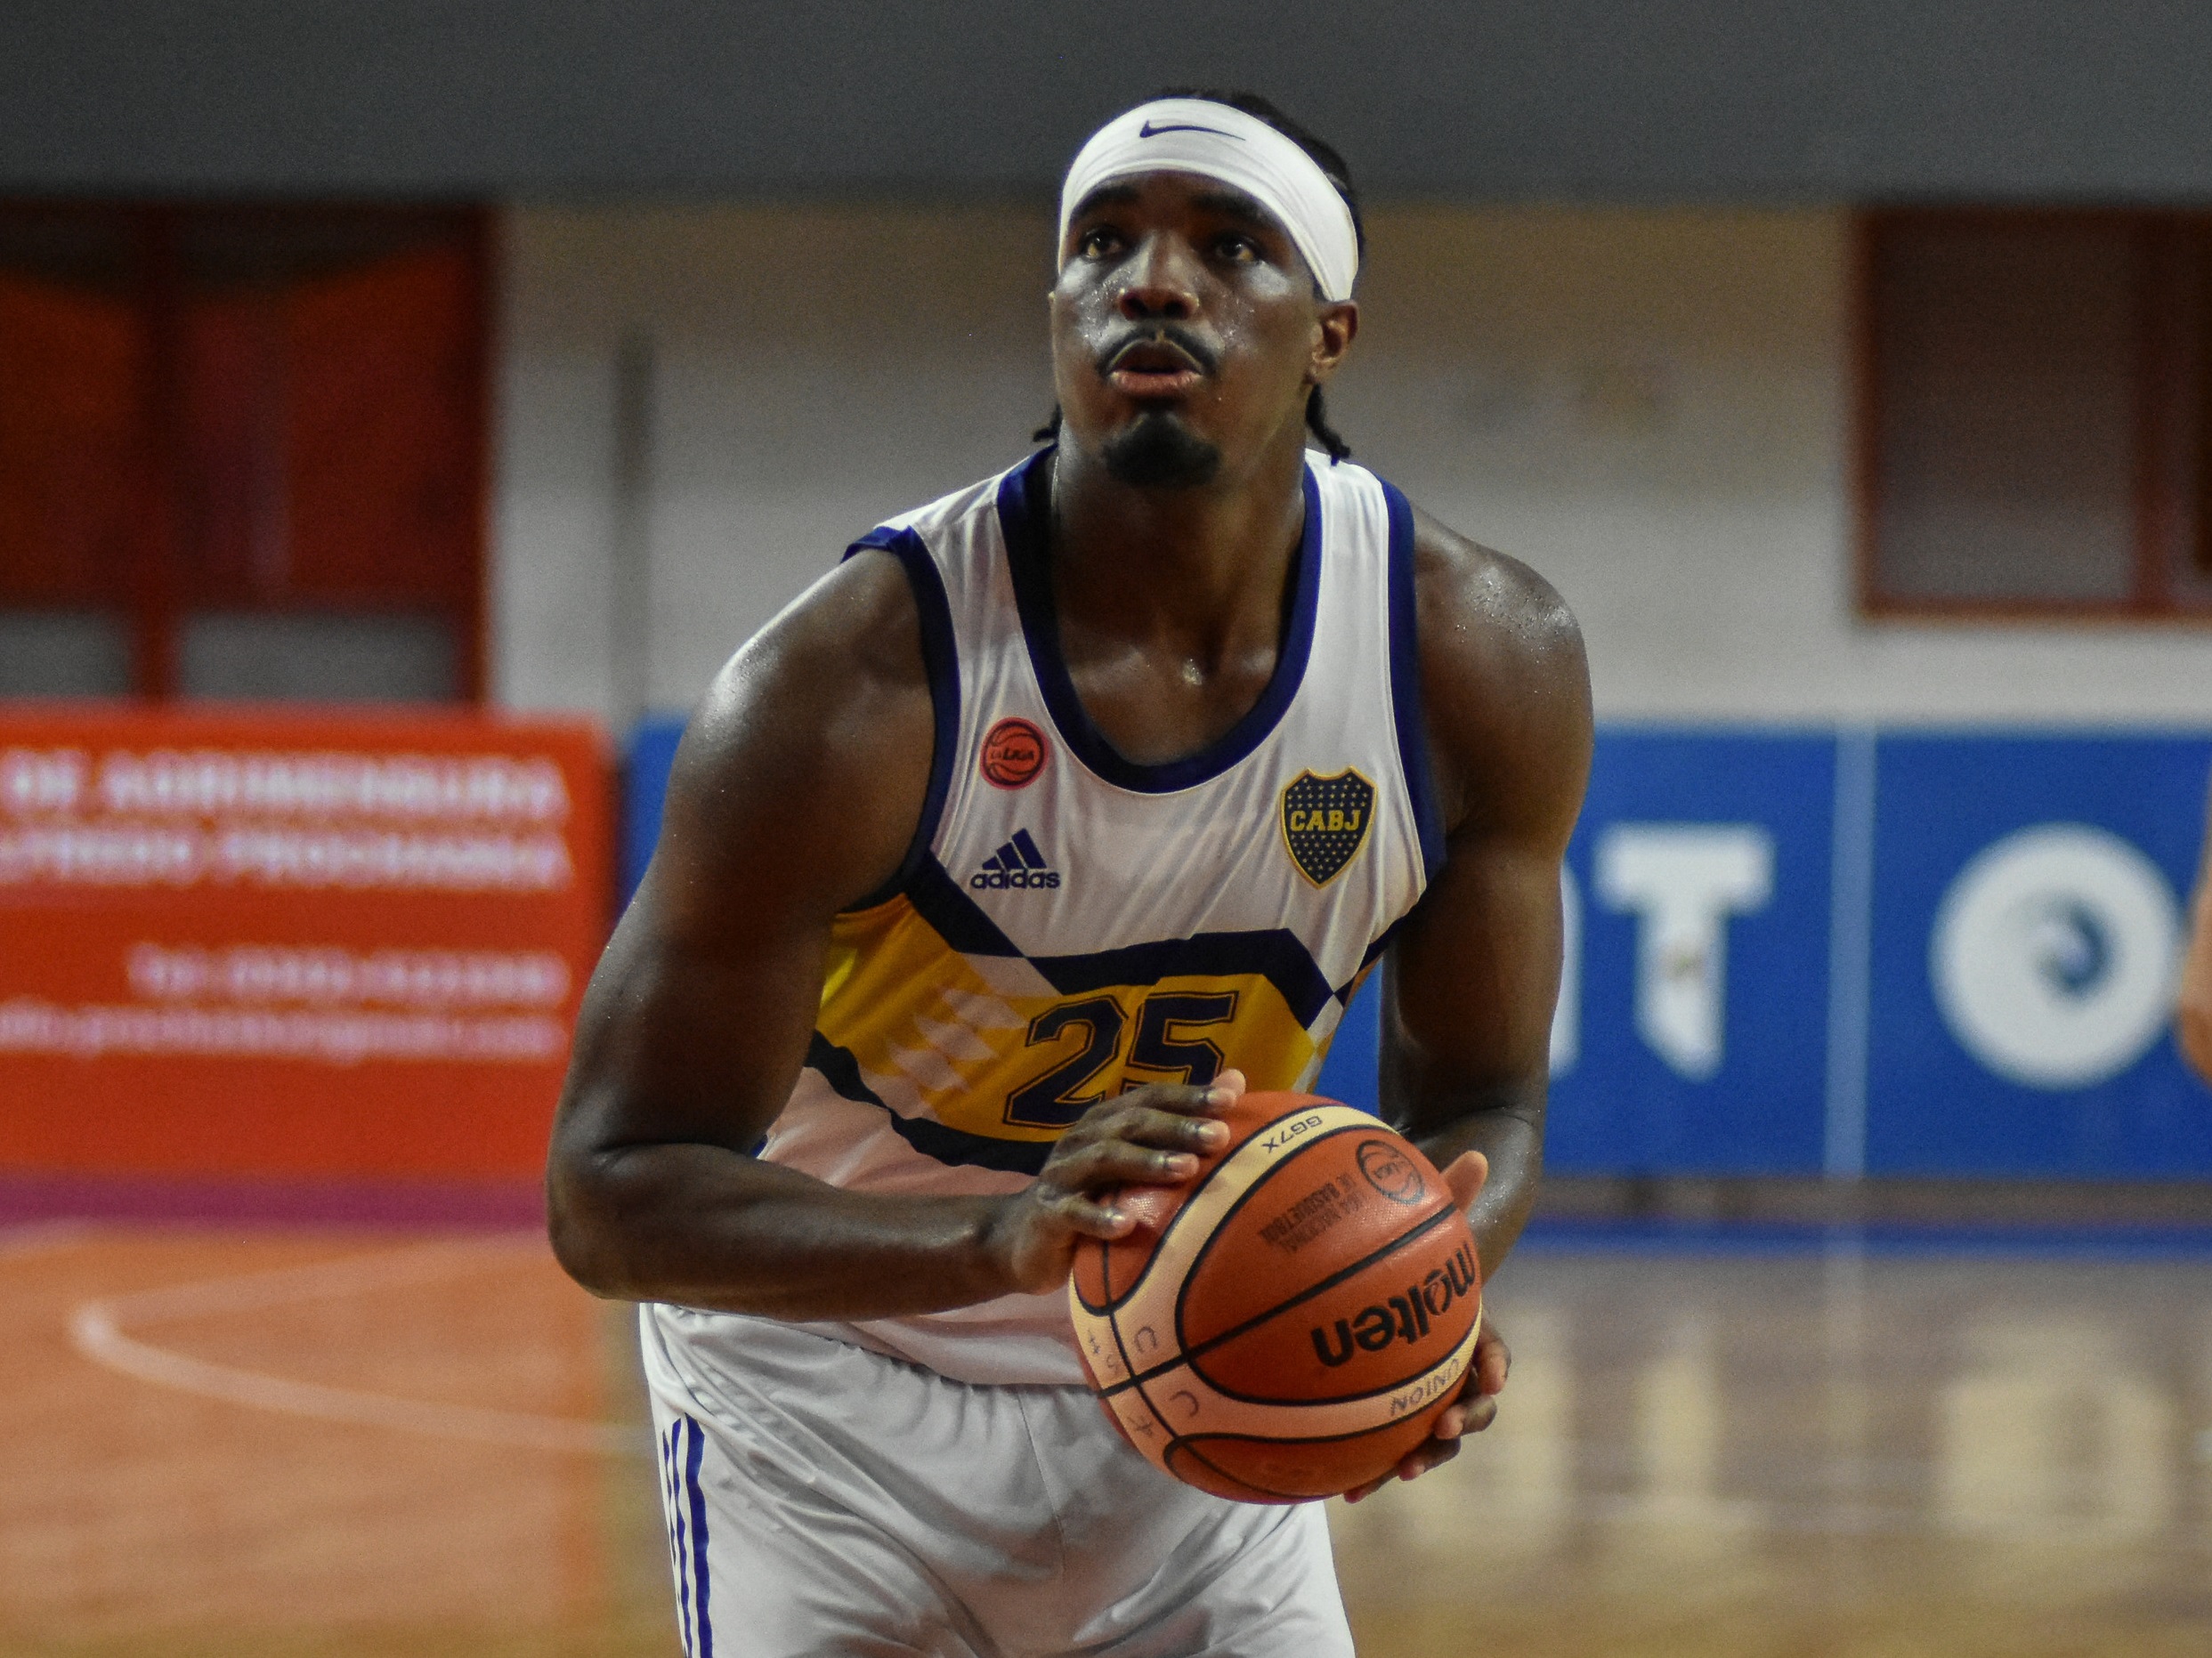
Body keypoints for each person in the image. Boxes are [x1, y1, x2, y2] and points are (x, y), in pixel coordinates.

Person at [547, 90, 1591, 1657]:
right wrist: (996, 1241)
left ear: (1328, 333)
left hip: (1195, 1381)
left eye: (1228, 247)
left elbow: (1483, 1105)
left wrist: (1411, 1292)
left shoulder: (1474, 658)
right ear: (1056, 316)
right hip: (827, 1400)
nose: (1150, 282)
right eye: (1101, 246)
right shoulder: (849, 689)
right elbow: (610, 1192)